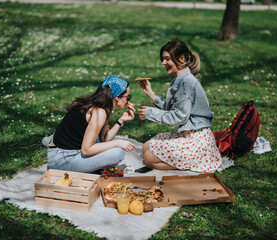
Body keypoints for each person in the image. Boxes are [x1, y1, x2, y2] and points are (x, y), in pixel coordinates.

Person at [137, 39, 222, 172]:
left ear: (181, 59)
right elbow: (173, 108)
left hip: (196, 139)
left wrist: (150, 113)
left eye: (167, 59)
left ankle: (195, 162)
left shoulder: (186, 83)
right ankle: (187, 160)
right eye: (163, 59)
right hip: (187, 133)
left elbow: (179, 117)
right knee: (145, 147)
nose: (163, 63)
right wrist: (151, 94)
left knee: (148, 157)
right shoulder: (180, 79)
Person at [45, 75, 135, 173]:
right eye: (127, 97)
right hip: (62, 161)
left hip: (65, 152)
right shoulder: (99, 112)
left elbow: (104, 139)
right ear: (117, 98)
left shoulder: (101, 106)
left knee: (100, 141)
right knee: (118, 152)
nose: (127, 100)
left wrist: (121, 120)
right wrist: (117, 143)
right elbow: (86, 150)